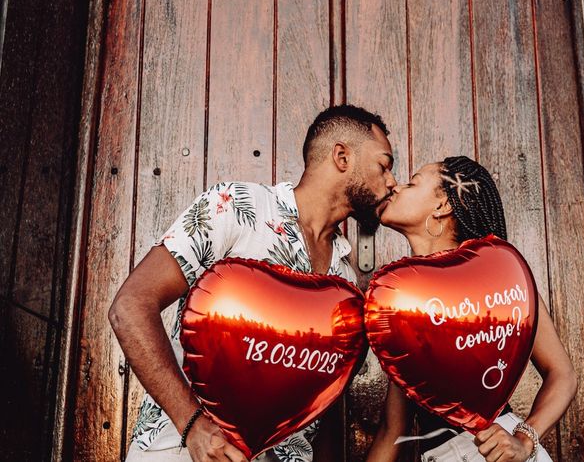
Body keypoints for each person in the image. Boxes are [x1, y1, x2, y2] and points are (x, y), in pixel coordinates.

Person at [109, 104, 398, 462]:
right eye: (384, 165)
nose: (391, 182)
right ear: (342, 157)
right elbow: (130, 307)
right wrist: (193, 425)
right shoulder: (235, 206)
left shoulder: (346, 280)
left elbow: (324, 407)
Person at [366, 156, 578, 462]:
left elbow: (563, 374)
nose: (396, 187)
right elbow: (392, 429)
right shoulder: (403, 304)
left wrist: (524, 439)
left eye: (412, 183)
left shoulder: (501, 279)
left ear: (442, 205)